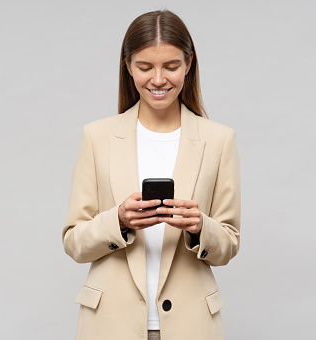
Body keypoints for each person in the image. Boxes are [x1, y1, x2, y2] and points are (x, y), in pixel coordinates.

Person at [62, 10, 241, 340]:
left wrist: (200, 226)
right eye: (145, 67)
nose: (158, 79)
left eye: (171, 66)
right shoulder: (97, 137)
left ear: (189, 64)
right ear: (128, 67)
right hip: (110, 324)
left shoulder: (219, 140)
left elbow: (229, 243)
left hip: (191, 326)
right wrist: (118, 219)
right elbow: (74, 241)